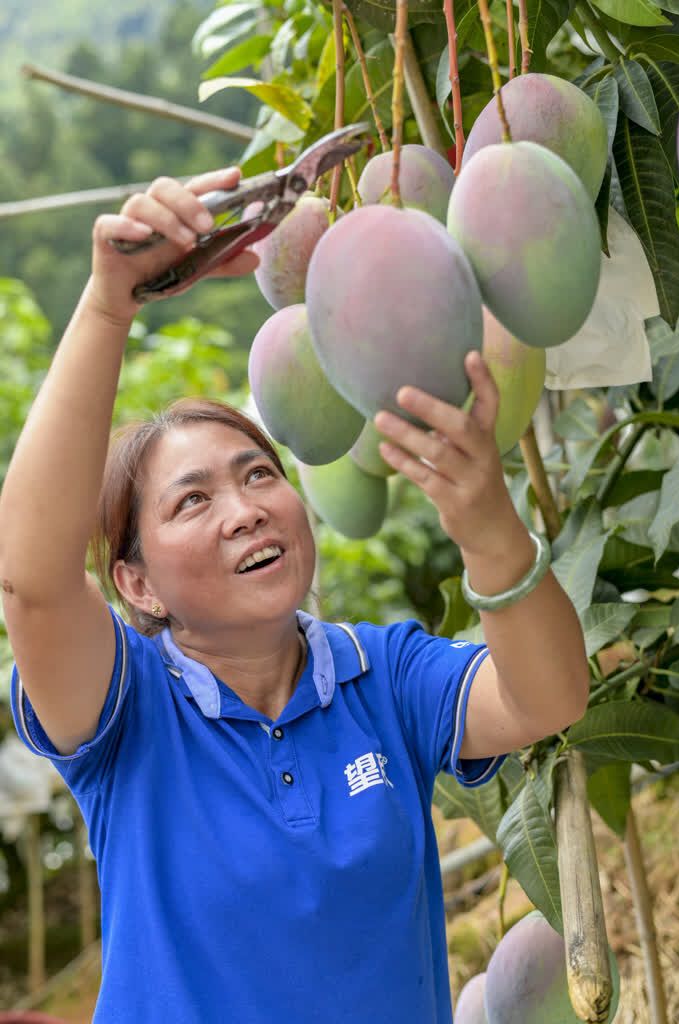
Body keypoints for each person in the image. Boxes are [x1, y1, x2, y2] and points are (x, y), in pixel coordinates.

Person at [0, 167, 590, 1024]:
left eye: (259, 474)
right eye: (192, 500)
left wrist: (489, 526)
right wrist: (107, 306)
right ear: (137, 584)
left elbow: (547, 697)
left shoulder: (379, 675)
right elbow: (33, 581)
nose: (245, 511)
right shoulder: (126, 711)